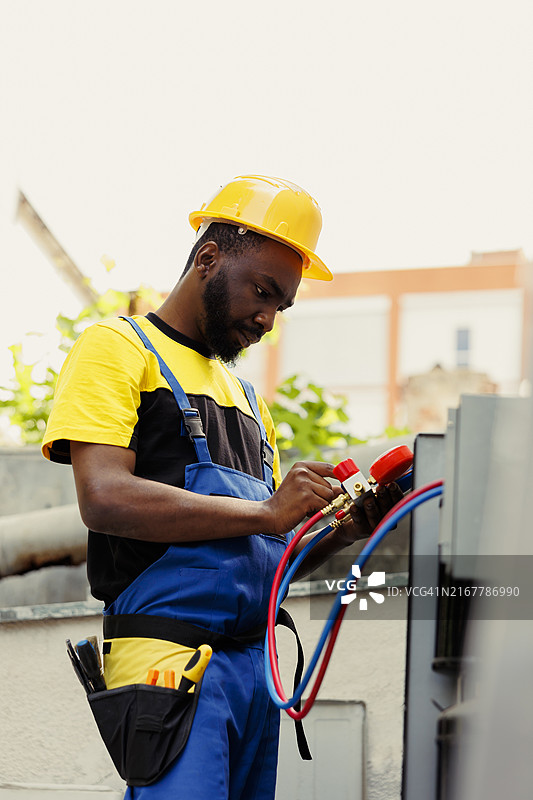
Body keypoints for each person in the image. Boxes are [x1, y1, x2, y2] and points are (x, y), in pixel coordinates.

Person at [42, 175, 401, 799]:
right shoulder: (119, 349)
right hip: (168, 661)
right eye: (261, 292)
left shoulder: (245, 399)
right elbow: (103, 498)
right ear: (208, 259)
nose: (266, 319)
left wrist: (349, 529)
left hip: (252, 670)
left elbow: (266, 552)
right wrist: (266, 511)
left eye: (280, 306)